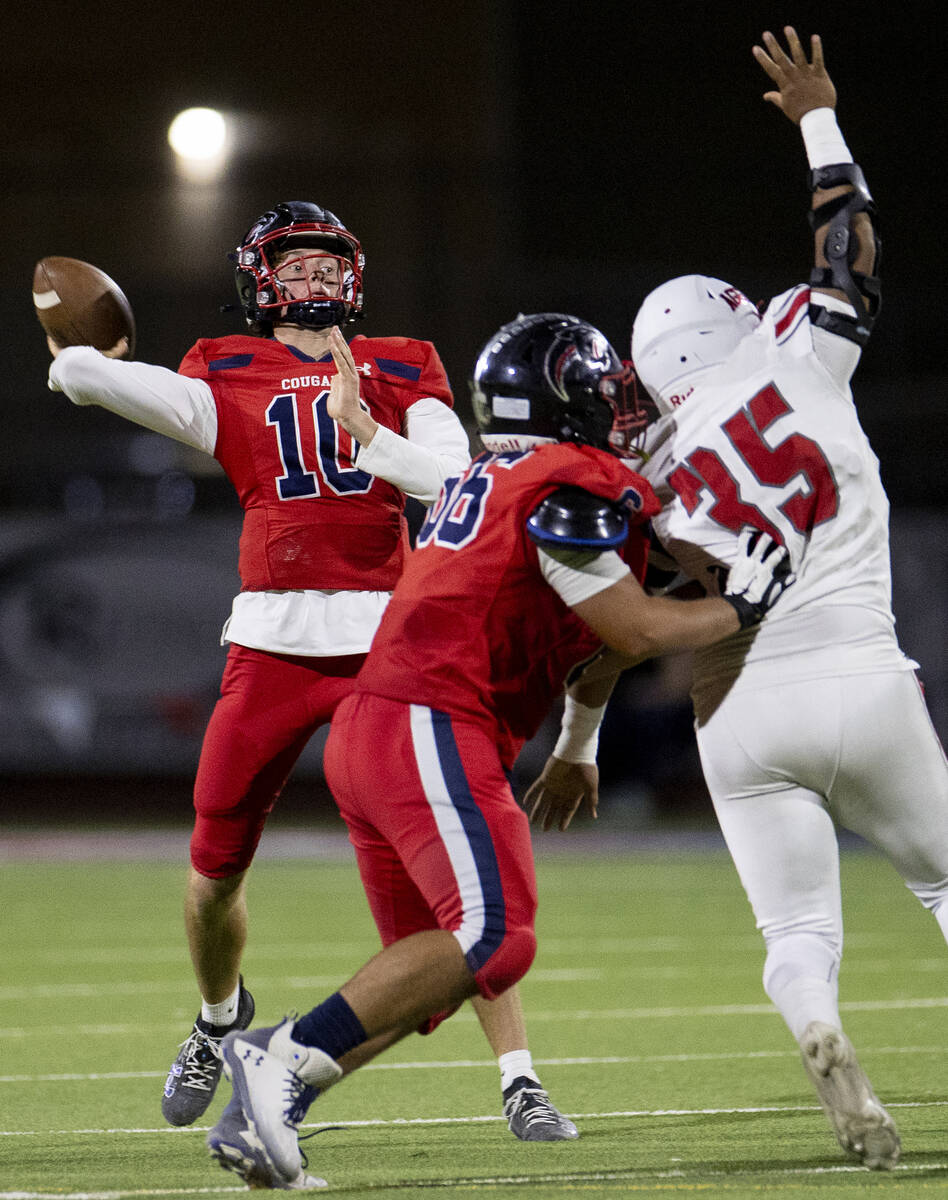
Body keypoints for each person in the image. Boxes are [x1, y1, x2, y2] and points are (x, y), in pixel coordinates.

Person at [202, 310, 796, 1189]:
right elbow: (634, 624)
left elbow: (598, 641)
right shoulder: (564, 486)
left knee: (433, 976)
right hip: (430, 722)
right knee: (495, 939)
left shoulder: (498, 474)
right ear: (566, 398)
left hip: (382, 729)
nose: (619, 405)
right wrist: (745, 604)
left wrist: (576, 745)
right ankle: (278, 1061)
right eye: (602, 389)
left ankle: (272, 1107)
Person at [45, 201, 577, 1142]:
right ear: (258, 280)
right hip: (271, 640)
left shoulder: (406, 361)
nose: (317, 279)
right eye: (296, 264)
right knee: (212, 867)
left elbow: (452, 485)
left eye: (331, 264)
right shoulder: (224, 365)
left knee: (463, 862)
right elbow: (94, 383)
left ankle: (520, 1076)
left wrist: (367, 432)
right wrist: (82, 349)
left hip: (392, 638)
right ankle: (220, 1020)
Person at [531, 28, 948, 1173]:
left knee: (797, 931)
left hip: (736, 716)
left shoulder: (648, 473)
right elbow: (847, 246)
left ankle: (817, 1023)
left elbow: (609, 633)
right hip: (861, 675)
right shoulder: (799, 355)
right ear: (734, 323)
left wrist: (578, 744)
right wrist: (820, 118)